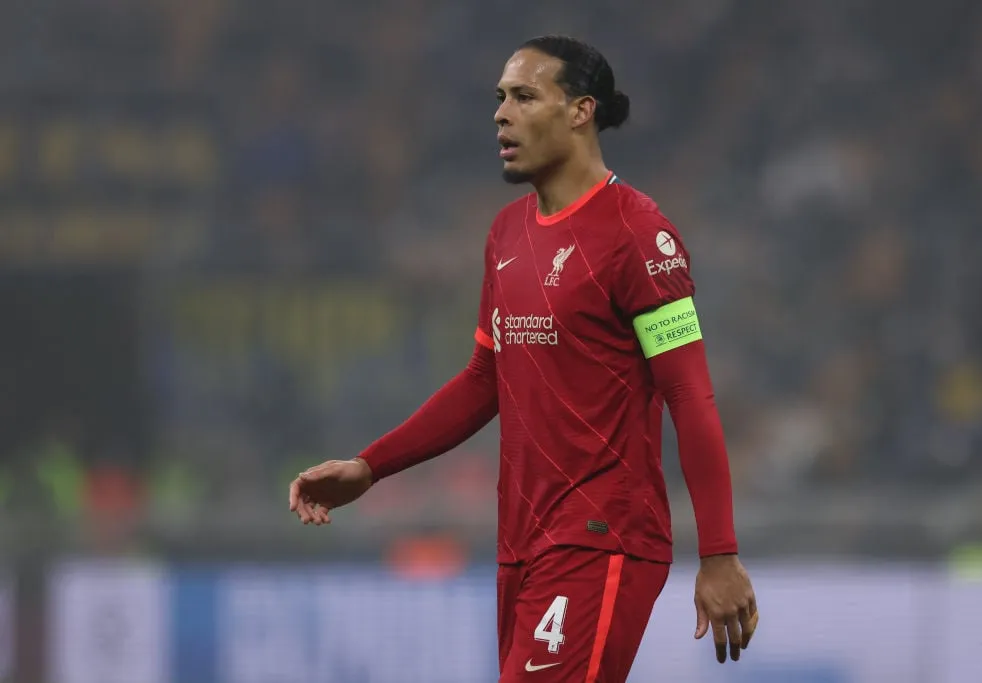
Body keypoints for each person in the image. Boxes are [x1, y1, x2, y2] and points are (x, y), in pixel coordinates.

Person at [289, 35, 759, 682]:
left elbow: (691, 398)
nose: (501, 114)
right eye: (500, 98)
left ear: (579, 111)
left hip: (603, 537)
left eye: (524, 96)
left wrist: (720, 553)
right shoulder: (507, 232)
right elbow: (484, 382)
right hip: (523, 545)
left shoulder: (639, 236)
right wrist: (370, 466)